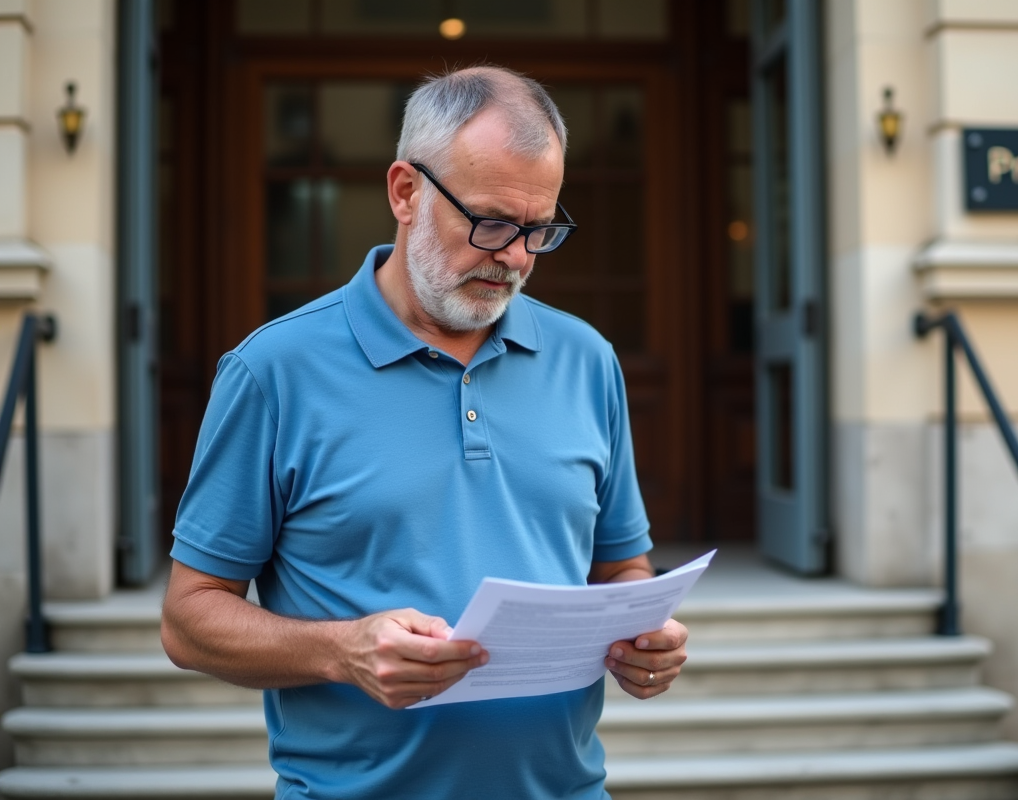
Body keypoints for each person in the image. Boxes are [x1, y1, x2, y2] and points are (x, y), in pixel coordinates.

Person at [160, 65, 688, 799]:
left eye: (539, 230)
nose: (516, 257)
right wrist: (342, 650)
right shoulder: (273, 370)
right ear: (405, 192)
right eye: (491, 223)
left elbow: (622, 567)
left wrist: (645, 635)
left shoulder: (588, 359)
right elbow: (187, 620)